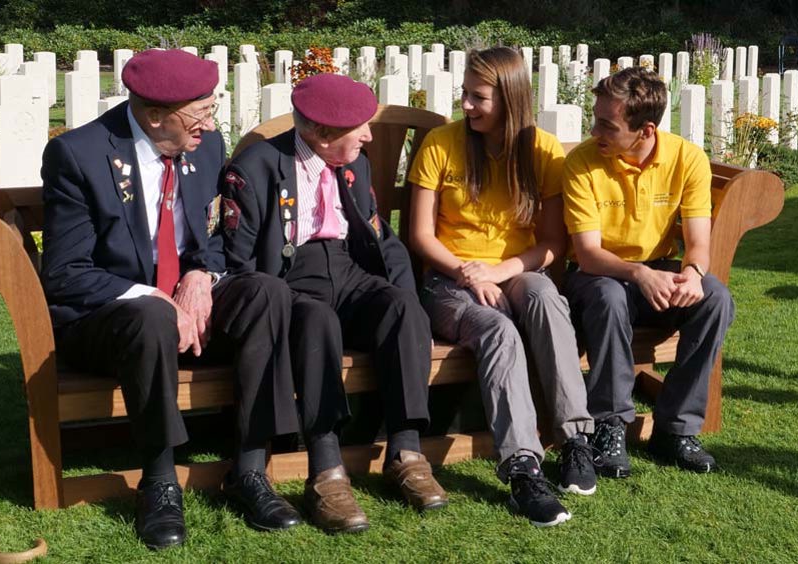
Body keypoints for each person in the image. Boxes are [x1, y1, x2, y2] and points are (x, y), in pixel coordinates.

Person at [40, 49, 303, 550]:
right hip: (107, 318)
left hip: (185, 301)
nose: (210, 122)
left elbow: (215, 237)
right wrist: (159, 298)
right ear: (155, 115)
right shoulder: (79, 155)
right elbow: (66, 273)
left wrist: (202, 274)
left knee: (267, 292)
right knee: (149, 316)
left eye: (211, 107)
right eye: (199, 111)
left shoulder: (205, 146)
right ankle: (159, 480)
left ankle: (249, 469)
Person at [222, 73, 447, 534]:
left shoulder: (355, 163)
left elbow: (373, 235)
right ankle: (326, 471)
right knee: (318, 320)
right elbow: (239, 260)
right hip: (290, 281)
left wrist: (404, 290)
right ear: (321, 135)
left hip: (346, 271)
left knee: (401, 307)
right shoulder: (258, 165)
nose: (369, 135)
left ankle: (406, 451)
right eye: (359, 127)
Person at [407, 47, 595, 528]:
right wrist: (469, 271)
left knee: (544, 296)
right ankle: (522, 468)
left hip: (513, 272)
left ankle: (575, 439)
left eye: (479, 97)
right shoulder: (441, 144)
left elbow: (554, 244)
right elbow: (421, 236)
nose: (466, 105)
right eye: (465, 94)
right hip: (448, 281)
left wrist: (501, 269)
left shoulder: (543, 152)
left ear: (511, 99)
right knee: (497, 329)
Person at [562, 66, 735, 478]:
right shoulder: (582, 162)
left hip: (659, 272)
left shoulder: (686, 158)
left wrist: (692, 274)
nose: (595, 130)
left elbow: (698, 244)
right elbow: (587, 254)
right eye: (595, 118)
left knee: (715, 298)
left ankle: (674, 429)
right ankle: (609, 424)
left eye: (607, 124)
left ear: (646, 129)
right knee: (608, 295)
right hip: (597, 276)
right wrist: (639, 274)